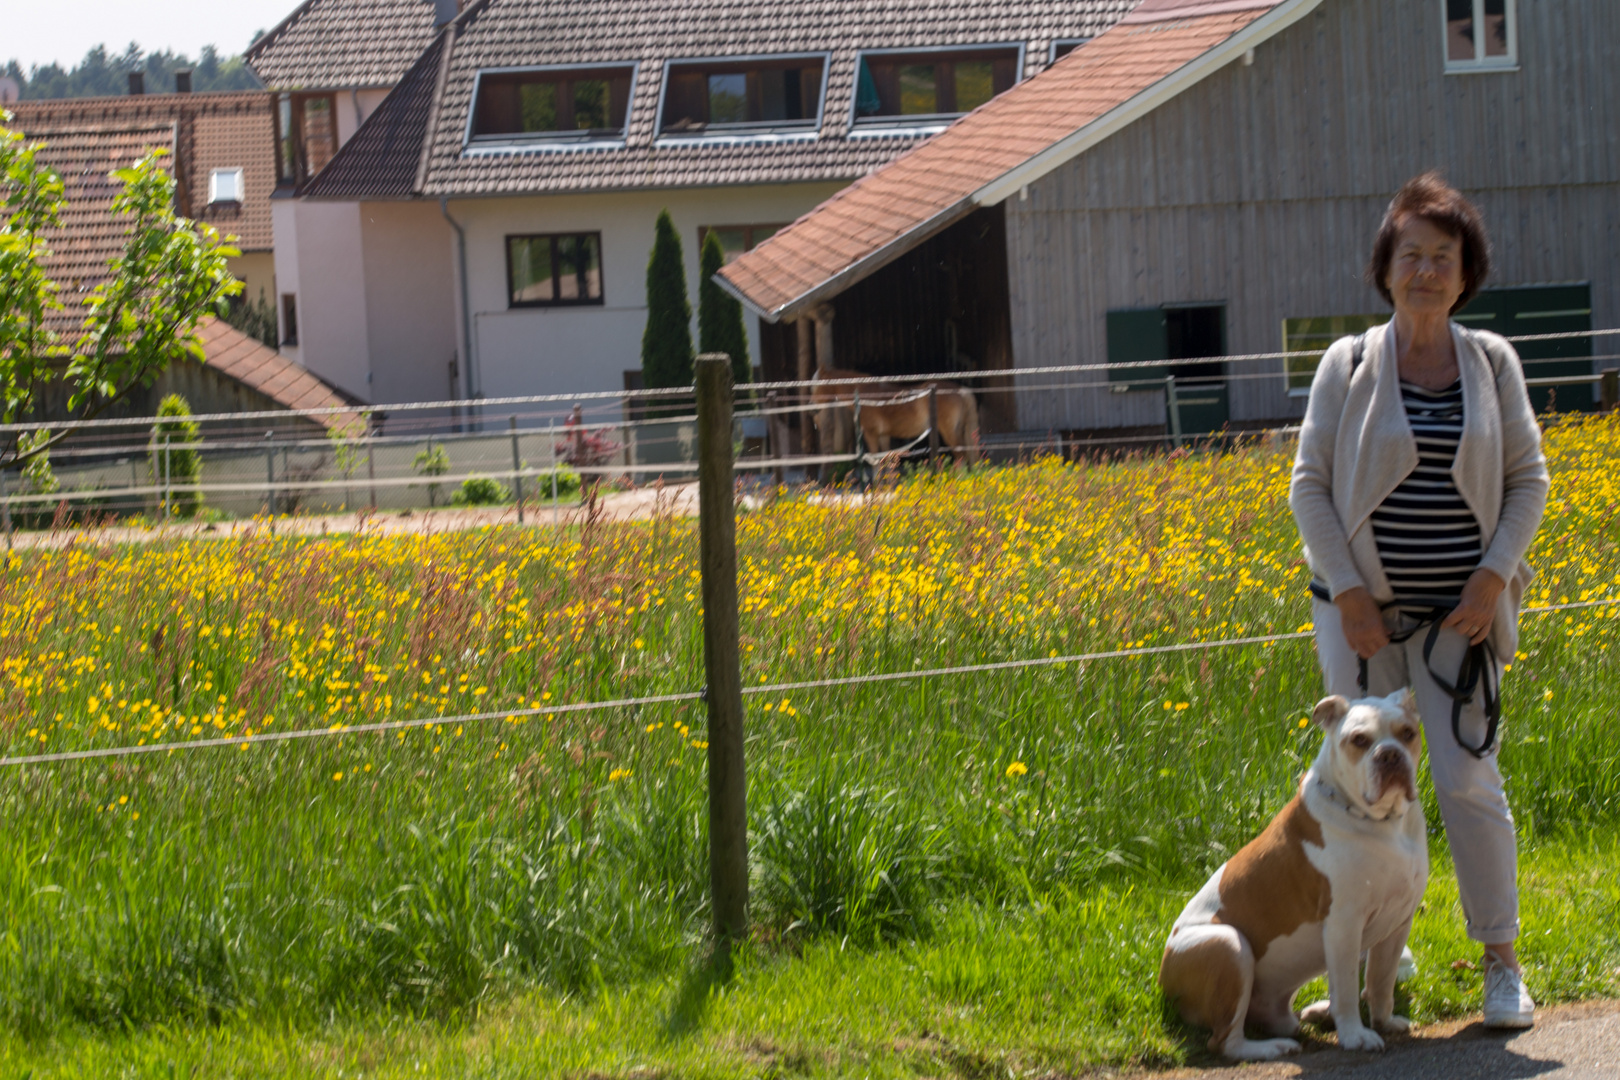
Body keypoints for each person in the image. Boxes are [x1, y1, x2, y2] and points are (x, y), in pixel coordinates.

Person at [1290, 173, 1548, 1029]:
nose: (1427, 271)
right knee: (1362, 786)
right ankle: (1373, 962)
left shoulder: (1492, 362)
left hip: (1461, 622)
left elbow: (1527, 480)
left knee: (1467, 778)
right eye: (1412, 256)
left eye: (1444, 256)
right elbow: (1310, 489)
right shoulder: (1348, 363)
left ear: (1466, 271)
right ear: (1386, 268)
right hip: (1362, 617)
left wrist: (1492, 576)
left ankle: (1502, 961)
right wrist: (1352, 595)